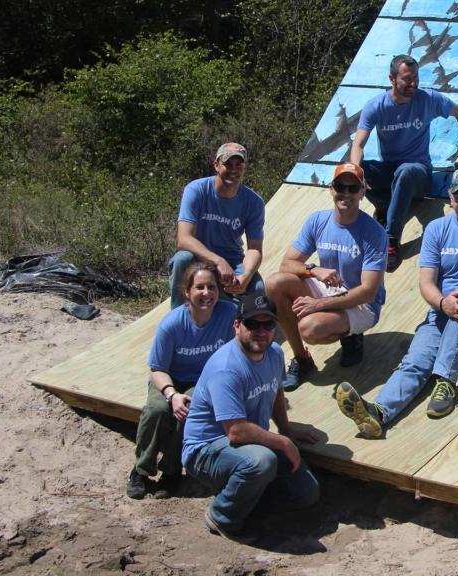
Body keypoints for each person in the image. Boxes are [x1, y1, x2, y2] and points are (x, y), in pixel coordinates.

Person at [334, 166, 458, 438]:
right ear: (450, 199)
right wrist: (443, 304)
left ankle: (446, 380)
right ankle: (379, 413)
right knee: (416, 360)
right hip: (444, 311)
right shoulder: (436, 229)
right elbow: (426, 283)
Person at [182, 293, 320, 541]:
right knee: (260, 462)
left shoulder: (275, 353)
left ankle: (249, 500)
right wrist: (283, 442)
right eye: (252, 324)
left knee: (307, 493)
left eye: (268, 324)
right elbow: (235, 431)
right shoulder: (226, 368)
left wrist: (286, 429)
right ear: (237, 326)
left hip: (249, 442)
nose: (261, 331)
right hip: (206, 448)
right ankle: (222, 517)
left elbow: (276, 392)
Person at [350, 54, 458, 272]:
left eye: (416, 77)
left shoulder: (426, 99)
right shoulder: (376, 106)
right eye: (407, 79)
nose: (413, 83)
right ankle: (385, 205)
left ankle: (390, 240)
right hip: (390, 169)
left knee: (406, 172)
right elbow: (358, 144)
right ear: (392, 79)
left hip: (418, 172)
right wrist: (356, 172)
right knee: (361, 170)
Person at [265, 163, 388, 391]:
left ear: (363, 192)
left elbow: (368, 291)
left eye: (353, 188)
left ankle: (352, 334)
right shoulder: (318, 221)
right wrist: (314, 270)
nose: (346, 193)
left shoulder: (374, 233)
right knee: (275, 283)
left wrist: (317, 305)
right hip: (328, 288)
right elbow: (287, 264)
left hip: (362, 305)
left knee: (310, 328)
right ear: (331, 189)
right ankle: (302, 360)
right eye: (341, 186)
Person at [127, 262, 236, 499]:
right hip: (169, 378)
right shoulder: (173, 323)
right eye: (199, 287)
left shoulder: (228, 315)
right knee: (156, 410)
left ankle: (172, 471)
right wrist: (171, 394)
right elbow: (156, 368)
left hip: (204, 380)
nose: (206, 293)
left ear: (219, 290)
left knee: (189, 411)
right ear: (187, 292)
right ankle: (141, 470)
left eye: (212, 287)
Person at [169, 142, 265, 309]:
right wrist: (218, 261)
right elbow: (183, 239)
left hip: (233, 259)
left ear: (245, 167)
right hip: (199, 257)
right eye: (228, 164)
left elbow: (255, 248)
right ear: (216, 165)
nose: (233, 169)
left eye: (238, 164)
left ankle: (245, 328)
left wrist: (246, 276)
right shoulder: (197, 190)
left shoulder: (254, 202)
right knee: (181, 259)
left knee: (257, 288)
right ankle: (178, 317)